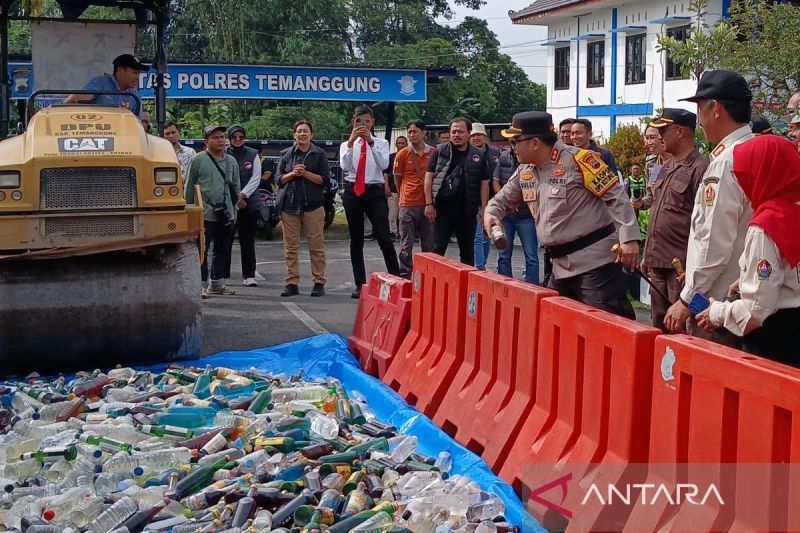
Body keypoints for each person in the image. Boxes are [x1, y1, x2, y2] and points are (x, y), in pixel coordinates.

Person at [484, 111, 640, 319]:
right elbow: (501, 200)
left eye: (514, 141)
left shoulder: (580, 161)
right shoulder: (526, 170)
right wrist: (491, 213)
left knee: (609, 327)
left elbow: (617, 197)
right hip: (559, 267)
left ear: (535, 143)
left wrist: (629, 239)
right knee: (554, 325)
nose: (511, 147)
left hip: (595, 266)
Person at [664, 70, 755, 339]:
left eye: (700, 109)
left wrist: (687, 297)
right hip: (739, 298)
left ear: (714, 108)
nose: (699, 120)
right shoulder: (751, 150)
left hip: (714, 306)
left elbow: (713, 241)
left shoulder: (727, 162)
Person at [696, 135, 800, 365]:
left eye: (743, 176)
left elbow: (758, 307)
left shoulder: (766, 226)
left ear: (762, 174)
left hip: (776, 341)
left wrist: (716, 312)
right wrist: (746, 279)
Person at [638, 109, 709, 332]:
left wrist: (695, 268)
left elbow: (705, 224)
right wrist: (647, 253)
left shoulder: (701, 167)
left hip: (682, 269)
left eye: (663, 131)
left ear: (680, 131)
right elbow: (657, 209)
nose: (659, 137)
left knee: (687, 326)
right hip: (657, 262)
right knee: (660, 326)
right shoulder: (662, 167)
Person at [339, 106, 400, 299]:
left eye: (367, 121)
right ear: (353, 122)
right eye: (359, 121)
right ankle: (359, 283)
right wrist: (351, 142)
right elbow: (345, 166)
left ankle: (396, 278)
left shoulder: (381, 143)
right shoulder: (346, 145)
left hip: (374, 191)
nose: (363, 125)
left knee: (384, 236)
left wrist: (370, 143)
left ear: (372, 122)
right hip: (353, 190)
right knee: (356, 239)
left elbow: (384, 165)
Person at [424, 117, 491, 266]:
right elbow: (428, 178)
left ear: (468, 133)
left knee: (467, 254)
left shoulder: (478, 155)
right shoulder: (440, 151)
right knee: (437, 251)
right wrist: (429, 203)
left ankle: (466, 287)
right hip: (442, 212)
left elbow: (484, 184)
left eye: (460, 131)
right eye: (453, 131)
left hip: (468, 213)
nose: (456, 135)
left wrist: (484, 208)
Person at [276, 120, 330, 297]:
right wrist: (292, 173)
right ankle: (292, 282)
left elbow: (324, 180)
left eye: (306, 131)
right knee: (290, 247)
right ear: (294, 135)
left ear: (312, 135)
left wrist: (305, 173)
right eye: (299, 131)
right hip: (289, 205)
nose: (302, 134)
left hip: (313, 205)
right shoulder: (286, 154)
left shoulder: (319, 154)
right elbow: (278, 179)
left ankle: (319, 282)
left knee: (316, 246)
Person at [185, 124, 240, 297]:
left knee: (222, 250)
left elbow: (236, 188)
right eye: (215, 137)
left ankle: (217, 284)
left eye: (222, 137)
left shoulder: (231, 161)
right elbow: (188, 187)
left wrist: (234, 211)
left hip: (226, 213)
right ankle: (199, 285)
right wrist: (189, 211)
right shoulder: (198, 159)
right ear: (206, 141)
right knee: (201, 250)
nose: (220, 140)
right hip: (204, 213)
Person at [393, 120, 435, 278]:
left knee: (429, 243)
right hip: (408, 204)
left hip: (427, 204)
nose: (411, 135)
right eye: (409, 132)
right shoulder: (402, 154)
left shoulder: (433, 153)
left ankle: (429, 274)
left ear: (423, 133)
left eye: (415, 131)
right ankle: (405, 274)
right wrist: (403, 195)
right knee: (406, 243)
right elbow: (397, 179)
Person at [493, 146, 539, 284]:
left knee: (531, 256)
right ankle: (504, 287)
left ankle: (533, 288)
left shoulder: (534, 158)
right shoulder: (503, 156)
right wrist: (506, 202)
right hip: (506, 215)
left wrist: (517, 203)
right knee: (503, 254)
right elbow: (495, 181)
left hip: (527, 215)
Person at [224, 125, 263, 287]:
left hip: (249, 203)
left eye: (241, 137)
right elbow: (224, 177)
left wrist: (243, 195)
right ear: (230, 138)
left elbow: (256, 177)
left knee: (247, 241)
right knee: (225, 241)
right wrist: (234, 197)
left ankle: (249, 275)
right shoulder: (224, 153)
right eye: (234, 137)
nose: (238, 140)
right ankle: (222, 275)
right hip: (228, 204)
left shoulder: (252, 154)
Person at [64, 54, 148, 118]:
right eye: (134, 73)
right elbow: (84, 95)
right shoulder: (101, 83)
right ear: (120, 70)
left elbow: (137, 122)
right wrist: (76, 97)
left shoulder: (134, 94)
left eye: (139, 73)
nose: (137, 77)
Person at [470, 122, 501, 271]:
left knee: (487, 234)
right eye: (473, 135)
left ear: (484, 136)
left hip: (493, 200)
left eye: (479, 135)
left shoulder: (496, 154)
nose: (476, 138)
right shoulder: (468, 153)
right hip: (474, 199)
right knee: (477, 236)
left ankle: (483, 263)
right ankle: (479, 267)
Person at [385, 136, 407, 241]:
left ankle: (404, 233)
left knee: (404, 214)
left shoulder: (410, 156)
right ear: (396, 145)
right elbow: (385, 173)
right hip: (393, 190)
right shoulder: (391, 157)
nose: (401, 145)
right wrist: (386, 186)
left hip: (406, 190)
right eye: (399, 143)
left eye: (403, 143)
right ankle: (392, 232)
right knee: (393, 213)